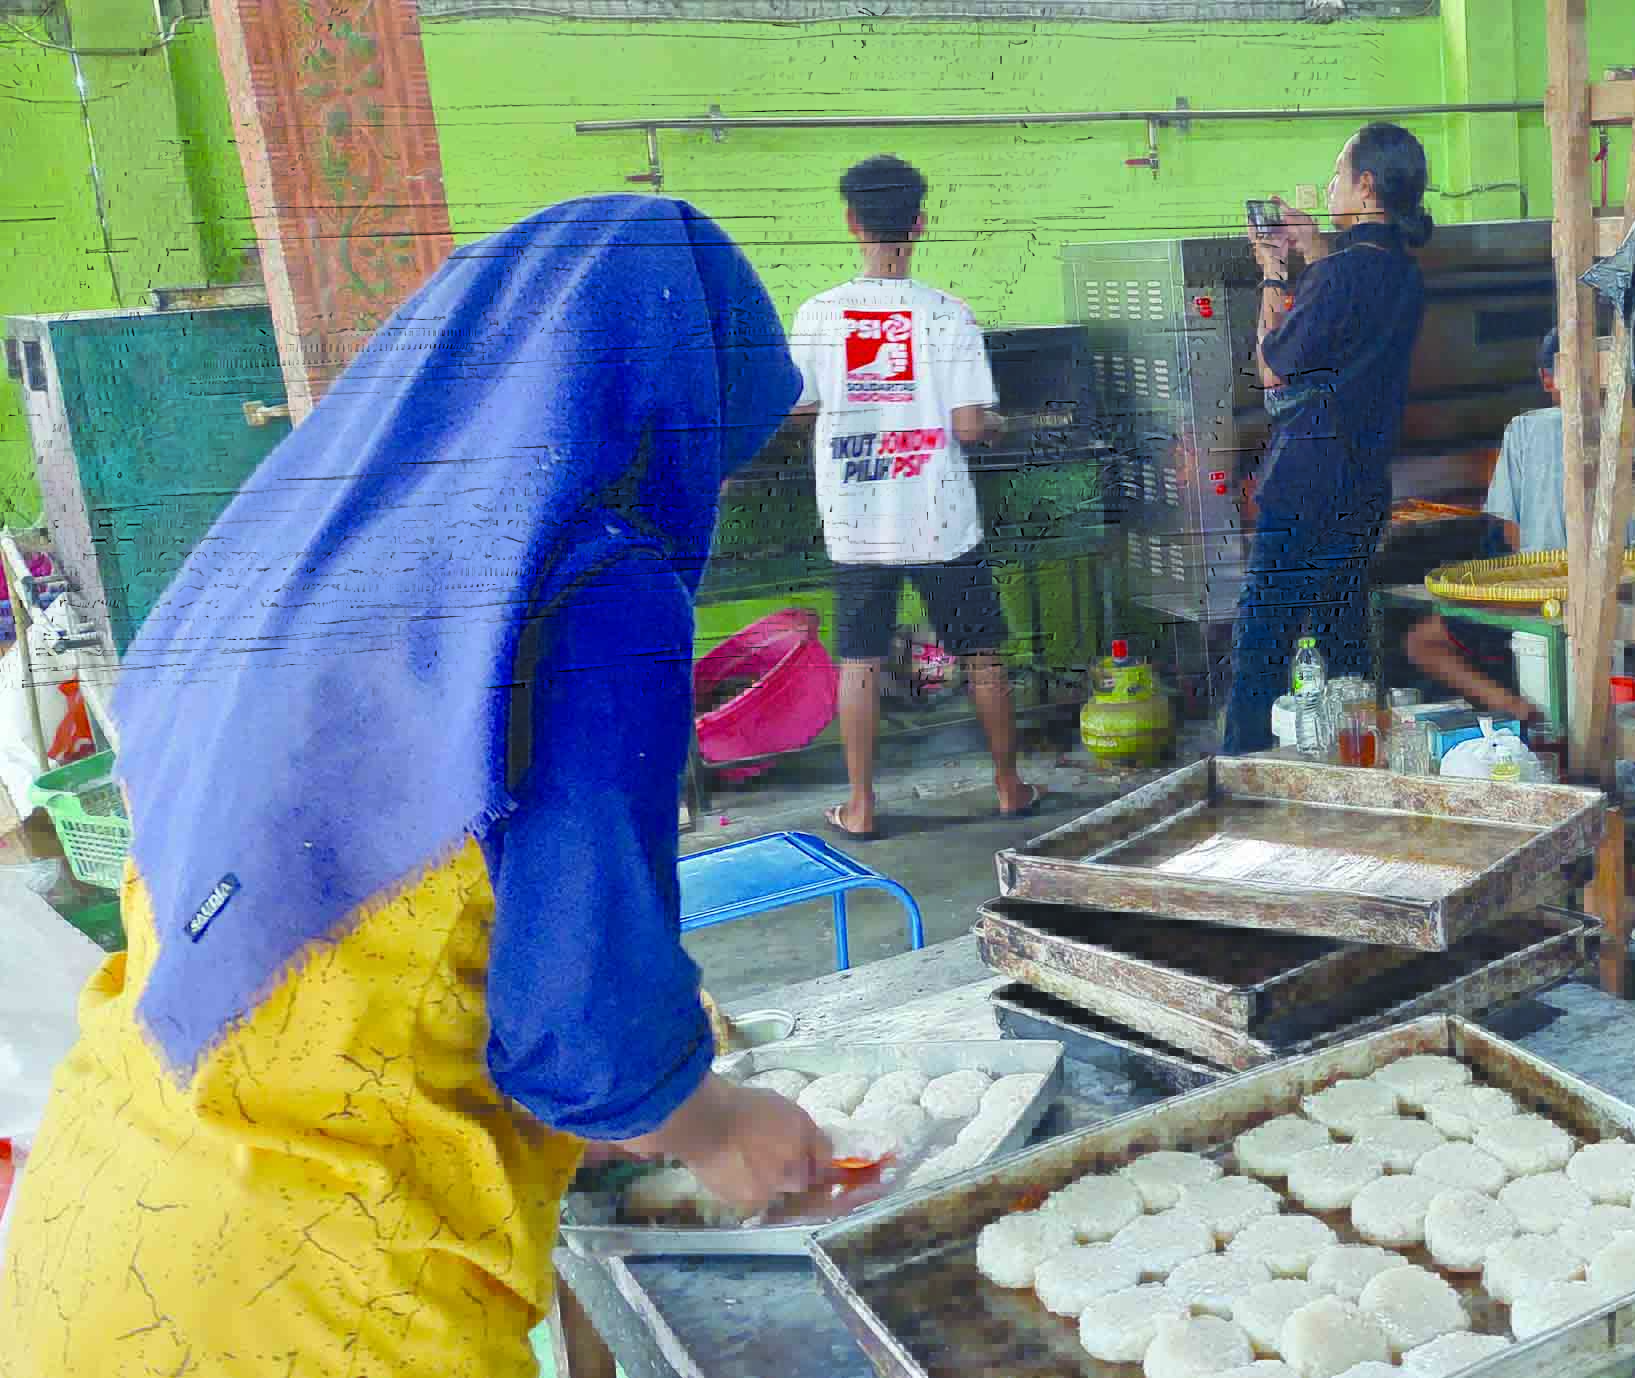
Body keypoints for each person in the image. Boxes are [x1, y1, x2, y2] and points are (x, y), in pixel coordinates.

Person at [0, 196, 827, 1377]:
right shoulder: (597, 590)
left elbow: (345, 936)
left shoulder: (284, 565)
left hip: (101, 1230)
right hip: (321, 1299)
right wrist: (716, 1124)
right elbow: (585, 1043)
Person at [790, 154, 1038, 838]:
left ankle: (863, 805)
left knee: (861, 659)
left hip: (857, 515)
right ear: (920, 223)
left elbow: (800, 407)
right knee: (982, 652)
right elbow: (966, 425)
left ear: (851, 221)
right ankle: (1009, 785)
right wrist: (991, 423)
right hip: (939, 516)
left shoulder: (818, 315)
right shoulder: (948, 316)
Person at [1220, 123, 1432, 755]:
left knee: (1265, 632)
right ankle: (1356, 755)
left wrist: (1272, 272)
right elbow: (1341, 320)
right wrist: (1314, 249)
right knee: (1343, 629)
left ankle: (1243, 762)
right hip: (1364, 484)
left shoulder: (1337, 277)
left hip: (1307, 476)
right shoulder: (1402, 273)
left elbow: (1273, 366)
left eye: (1340, 175)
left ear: (1366, 186)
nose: (1333, 185)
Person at [1403, 328, 1635, 720]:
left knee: (1420, 642)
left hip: (1542, 600)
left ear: (1548, 379)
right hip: (1622, 597)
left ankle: (1515, 707)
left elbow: (1510, 531)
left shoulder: (1524, 429)